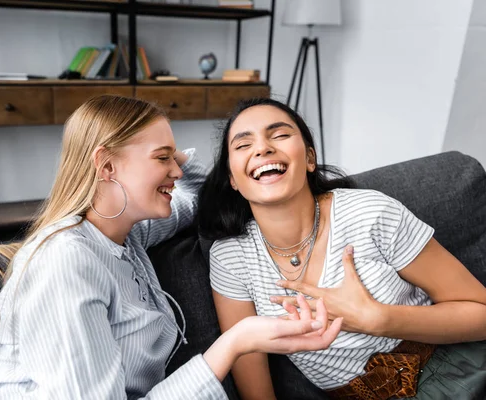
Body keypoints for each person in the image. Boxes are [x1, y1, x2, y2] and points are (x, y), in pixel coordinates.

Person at [0, 95, 342, 399]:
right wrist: (234, 344)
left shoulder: (127, 235)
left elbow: (193, 198)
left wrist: (187, 160)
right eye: (163, 158)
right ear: (106, 166)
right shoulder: (67, 260)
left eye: (173, 158)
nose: (176, 170)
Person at [197, 97, 486, 400]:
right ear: (232, 179)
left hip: (457, 370)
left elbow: (480, 313)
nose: (263, 148)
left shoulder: (371, 213)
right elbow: (251, 373)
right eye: (243, 145)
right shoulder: (231, 258)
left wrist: (377, 319)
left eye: (280, 135)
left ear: (310, 159)